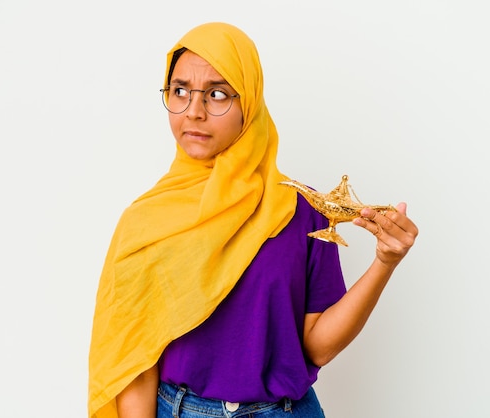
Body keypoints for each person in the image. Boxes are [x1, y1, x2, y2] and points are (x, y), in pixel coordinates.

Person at [88, 22, 418, 418]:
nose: (194, 111)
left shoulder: (300, 210)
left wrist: (385, 262)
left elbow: (317, 346)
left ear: (251, 101)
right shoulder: (145, 224)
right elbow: (135, 368)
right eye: (179, 91)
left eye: (216, 94)